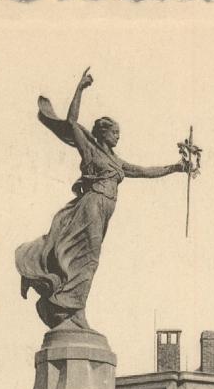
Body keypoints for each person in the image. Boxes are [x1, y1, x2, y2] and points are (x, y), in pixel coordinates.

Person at [16, 68, 188, 330]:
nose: (118, 135)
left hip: (104, 212)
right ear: (103, 133)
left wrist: (175, 168)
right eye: (115, 132)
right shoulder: (90, 150)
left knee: (86, 259)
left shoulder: (115, 161)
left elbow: (144, 171)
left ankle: (63, 303)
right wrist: (80, 87)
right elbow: (72, 122)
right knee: (88, 260)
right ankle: (72, 309)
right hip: (92, 206)